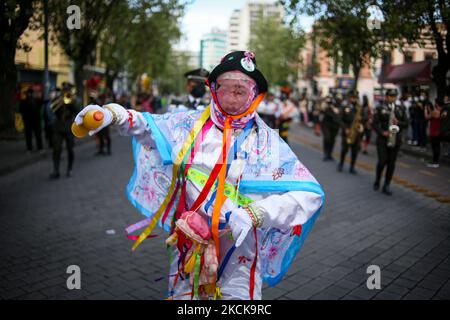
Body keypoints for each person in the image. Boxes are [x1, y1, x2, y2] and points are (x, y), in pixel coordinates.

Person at [74, 51, 324, 300]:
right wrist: (114, 115)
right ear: (214, 90)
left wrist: (256, 213)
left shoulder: (268, 141)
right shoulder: (188, 125)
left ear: (255, 94)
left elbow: (309, 194)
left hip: (240, 251)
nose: (233, 97)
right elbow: (147, 125)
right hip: (189, 242)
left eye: (242, 90)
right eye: (226, 88)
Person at [372, 89, 409, 195]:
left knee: (391, 164)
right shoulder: (380, 108)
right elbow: (374, 124)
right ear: (386, 97)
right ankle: (377, 180)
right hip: (383, 139)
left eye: (394, 96)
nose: (392, 98)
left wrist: (399, 122)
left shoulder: (401, 108)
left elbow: (406, 123)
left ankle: (386, 185)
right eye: (390, 96)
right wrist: (382, 132)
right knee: (382, 161)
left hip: (395, 140)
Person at [49, 82, 80, 179]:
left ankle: (69, 169)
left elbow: (77, 111)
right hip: (58, 127)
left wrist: (71, 103)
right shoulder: (57, 99)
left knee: (70, 149)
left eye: (67, 90)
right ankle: (56, 170)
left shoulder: (73, 100)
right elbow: (52, 110)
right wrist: (60, 102)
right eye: (64, 90)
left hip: (69, 128)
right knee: (56, 149)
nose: (66, 92)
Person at [337, 90, 366, 174]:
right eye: (352, 97)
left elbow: (365, 117)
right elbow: (339, 119)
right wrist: (345, 128)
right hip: (347, 131)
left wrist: (362, 119)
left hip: (356, 132)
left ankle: (352, 167)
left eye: (355, 98)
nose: (354, 99)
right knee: (344, 149)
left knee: (355, 151)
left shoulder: (359, 107)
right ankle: (341, 164)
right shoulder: (344, 106)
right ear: (349, 97)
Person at [19, 88, 43, 153]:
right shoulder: (23, 101)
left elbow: (41, 104)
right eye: (29, 93)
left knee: (38, 135)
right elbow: (21, 110)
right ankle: (29, 148)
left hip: (36, 121)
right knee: (28, 135)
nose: (30, 95)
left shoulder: (36, 100)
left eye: (31, 93)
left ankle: (40, 148)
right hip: (28, 121)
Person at [320, 95, 340, 161]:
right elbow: (322, 110)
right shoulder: (326, 105)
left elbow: (339, 114)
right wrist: (327, 105)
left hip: (334, 126)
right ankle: (325, 153)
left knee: (332, 140)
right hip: (326, 125)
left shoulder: (337, 106)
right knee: (327, 138)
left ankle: (329, 154)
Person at [425, 99, 443, 168]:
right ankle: (435, 161)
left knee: (435, 147)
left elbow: (427, 117)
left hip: (434, 131)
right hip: (438, 131)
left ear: (437, 104)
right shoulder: (442, 111)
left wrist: (426, 110)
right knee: (437, 146)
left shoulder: (436, 111)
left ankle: (435, 162)